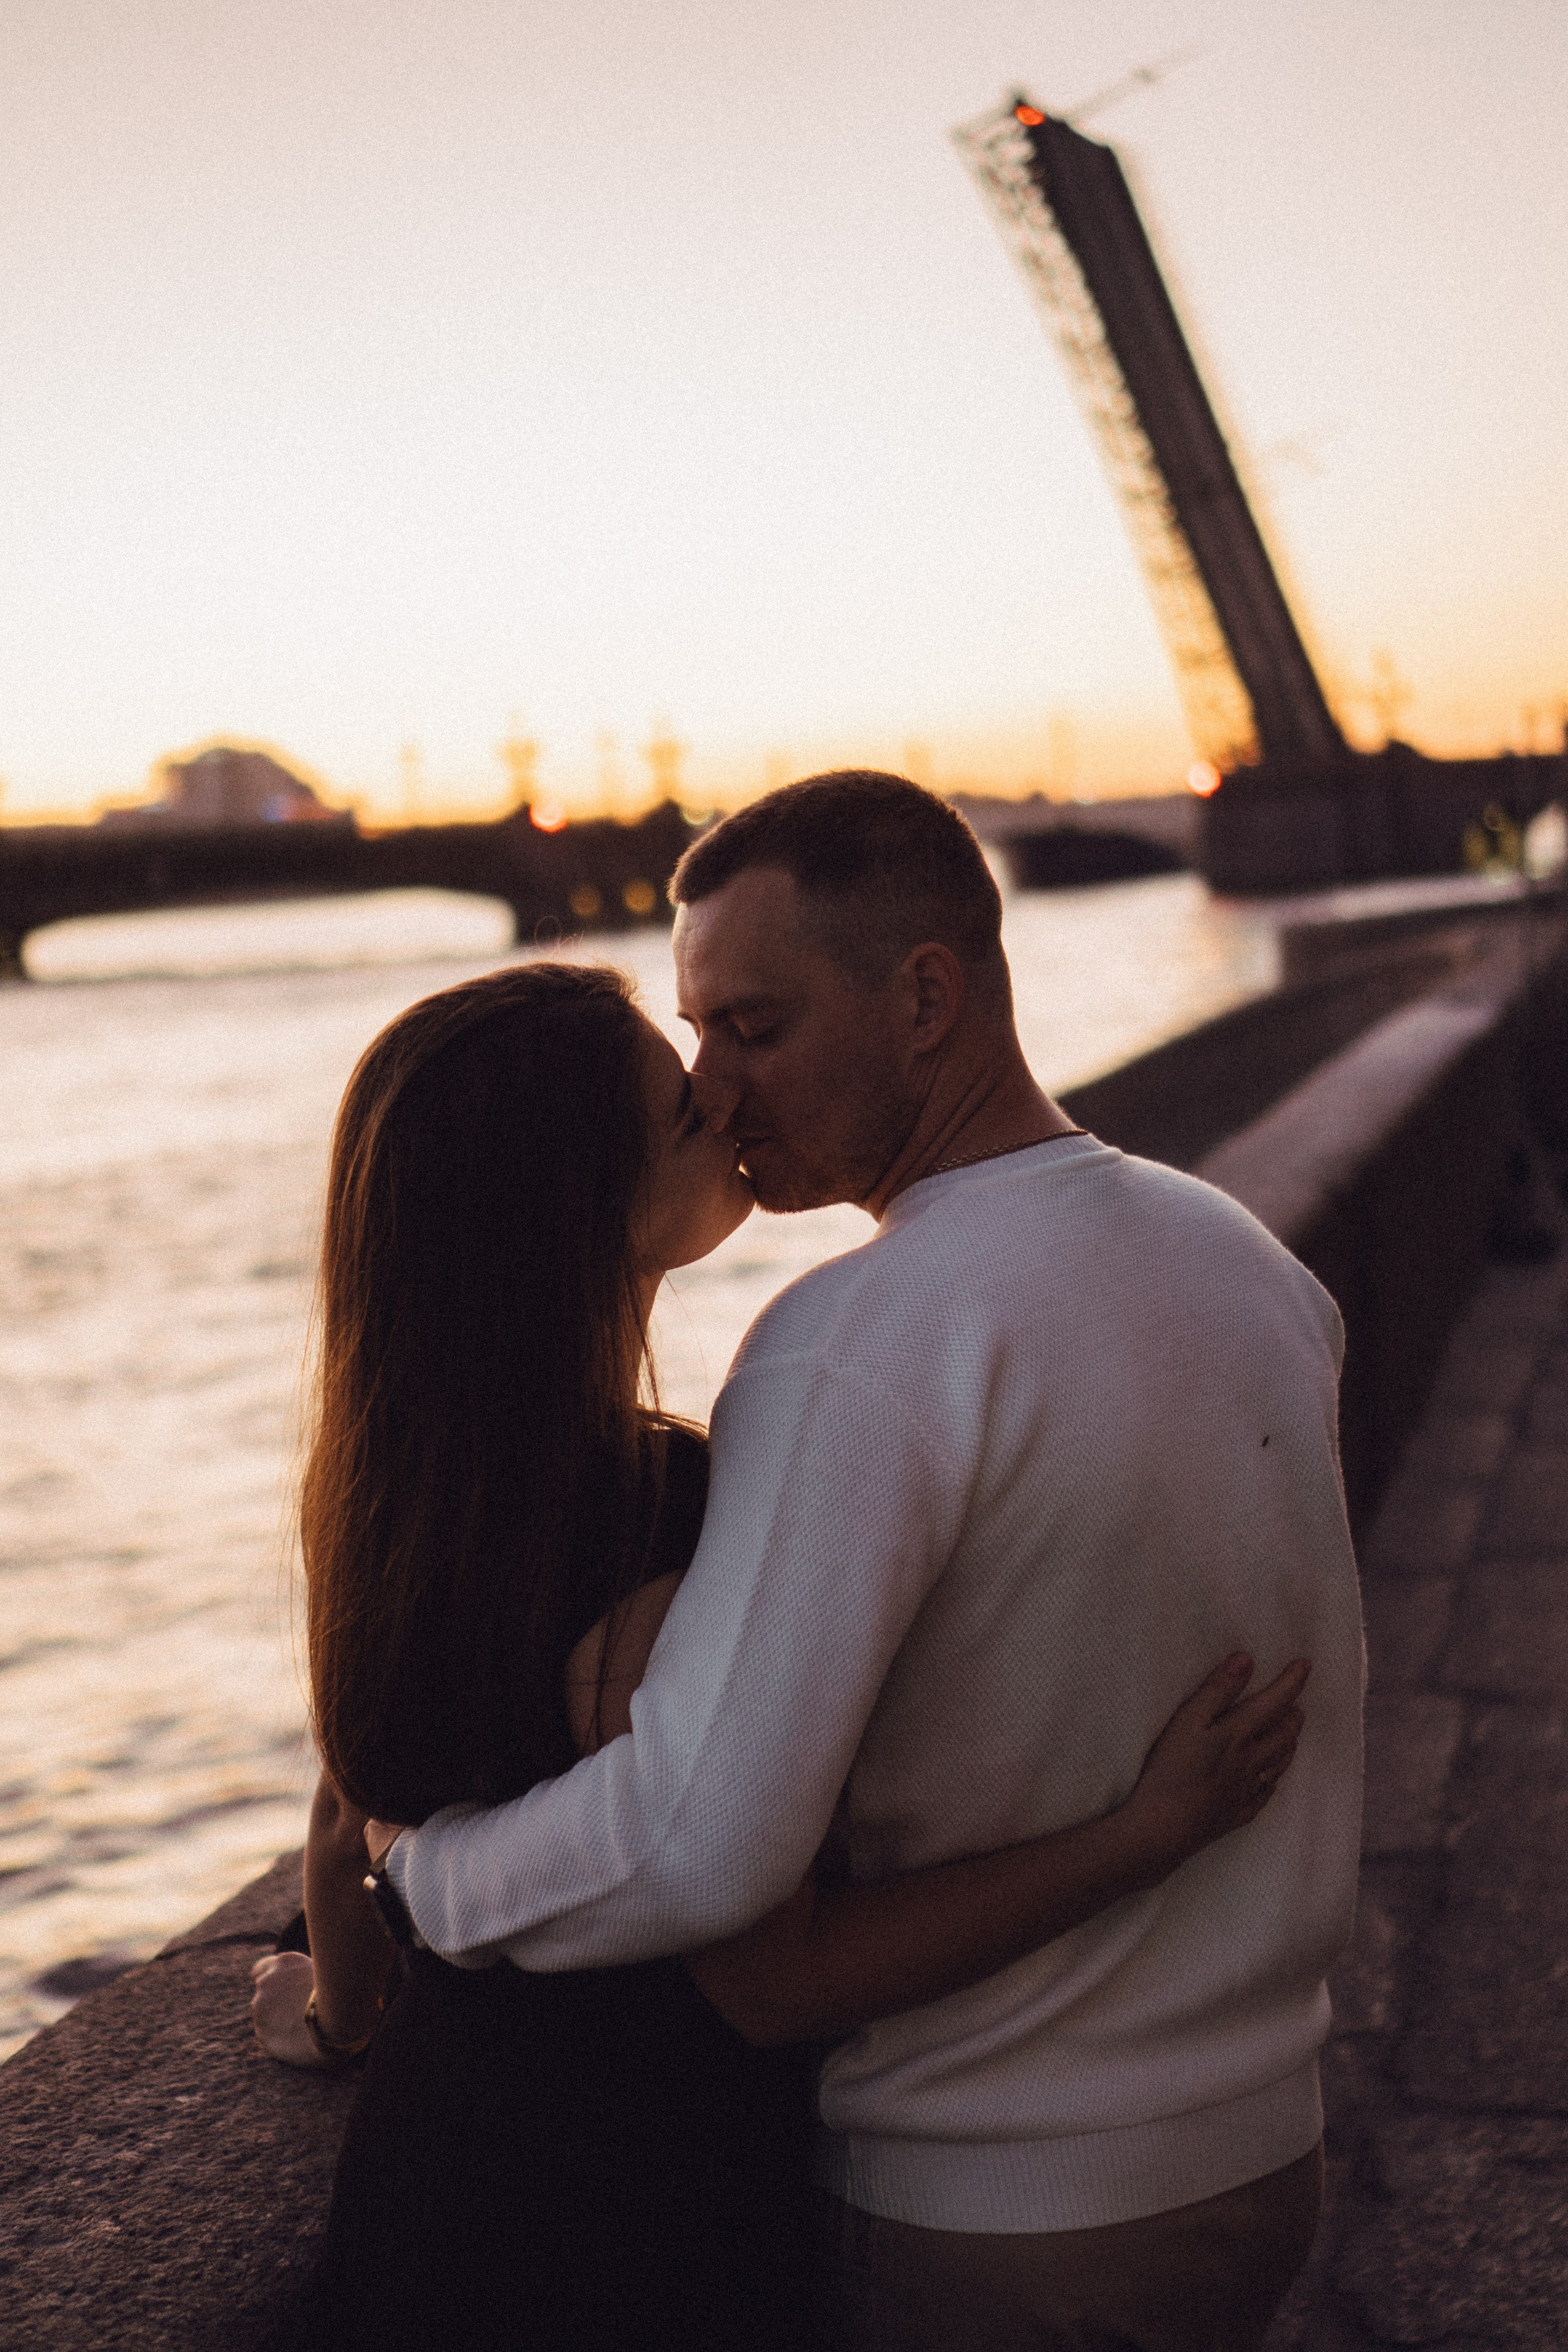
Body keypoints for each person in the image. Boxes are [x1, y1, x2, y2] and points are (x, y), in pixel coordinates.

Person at [372, 773, 1365, 2352]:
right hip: (1261, 2156)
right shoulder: (1248, 1262)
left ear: (924, 997)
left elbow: (705, 1847)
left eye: (757, 1028)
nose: (719, 1088)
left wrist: (425, 1871)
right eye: (700, 1036)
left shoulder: (852, 1341)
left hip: (1000, 2216)